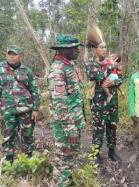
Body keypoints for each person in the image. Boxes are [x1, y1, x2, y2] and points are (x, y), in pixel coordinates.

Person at [48, 34, 85, 186]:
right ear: (64, 50)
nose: (77, 50)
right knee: (63, 160)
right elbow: (60, 102)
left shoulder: (68, 65)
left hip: (73, 121)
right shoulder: (57, 70)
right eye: (74, 48)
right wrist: (70, 129)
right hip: (65, 125)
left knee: (70, 158)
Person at [0, 45, 40, 163]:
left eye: (15, 54)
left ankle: (29, 161)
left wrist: (35, 109)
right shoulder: (0, 70)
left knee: (28, 136)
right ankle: (9, 163)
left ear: (21, 56)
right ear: (6, 55)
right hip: (7, 110)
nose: (12, 57)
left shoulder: (27, 71)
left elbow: (34, 90)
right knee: (8, 137)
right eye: (9, 54)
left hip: (26, 110)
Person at [84, 26, 123, 163]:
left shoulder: (109, 62)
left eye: (106, 47)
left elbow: (120, 78)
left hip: (112, 102)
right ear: (95, 49)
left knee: (112, 127)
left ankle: (112, 151)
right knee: (98, 128)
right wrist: (112, 67)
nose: (105, 50)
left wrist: (114, 82)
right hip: (98, 103)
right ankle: (96, 153)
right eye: (102, 47)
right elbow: (98, 76)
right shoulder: (90, 64)